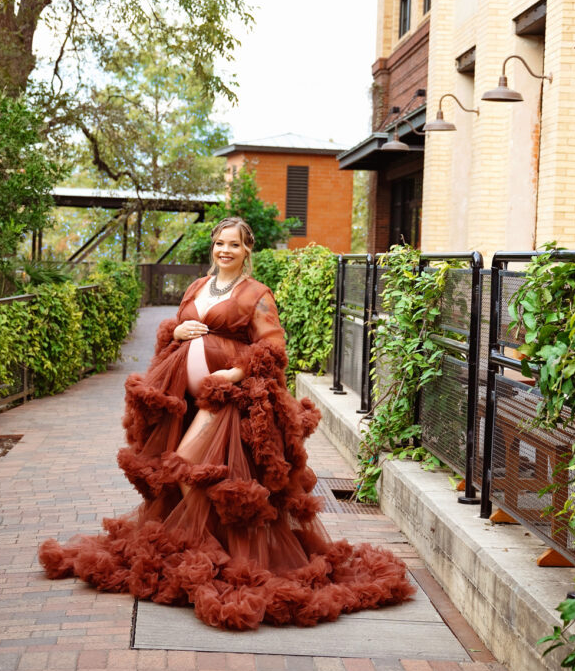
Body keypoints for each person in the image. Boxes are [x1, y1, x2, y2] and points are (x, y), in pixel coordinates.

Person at [38, 217, 414, 630]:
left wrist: (232, 376)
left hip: (230, 400)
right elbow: (175, 333)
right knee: (184, 468)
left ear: (246, 250)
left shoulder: (256, 294)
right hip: (184, 397)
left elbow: (272, 348)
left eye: (233, 244)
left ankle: (206, 548)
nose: (225, 250)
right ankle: (203, 542)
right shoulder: (197, 287)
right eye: (219, 243)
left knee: (185, 461)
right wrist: (179, 329)